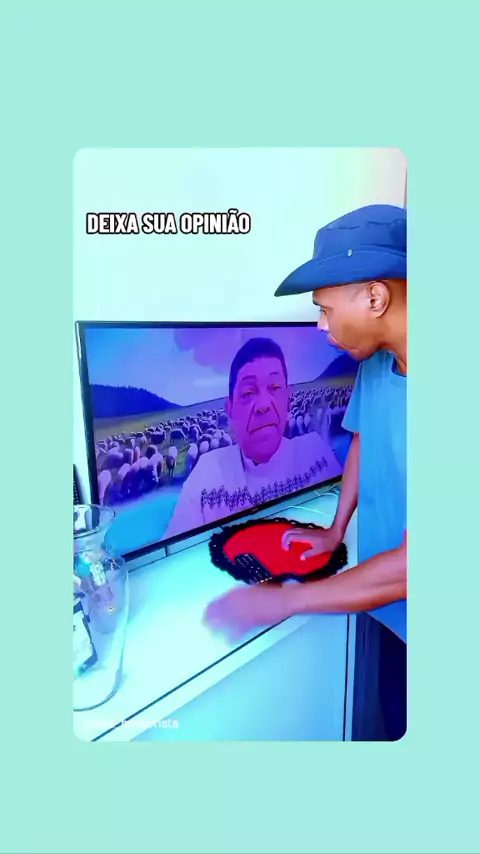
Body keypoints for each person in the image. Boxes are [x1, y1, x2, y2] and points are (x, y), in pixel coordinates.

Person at [203, 204, 407, 651]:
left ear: (375, 299)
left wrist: (283, 600)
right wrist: (335, 530)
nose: (320, 324)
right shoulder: (377, 364)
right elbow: (365, 440)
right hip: (377, 601)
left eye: (325, 309)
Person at [163, 337, 342, 539]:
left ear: (288, 400)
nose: (263, 405)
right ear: (230, 410)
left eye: (275, 388)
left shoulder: (315, 453)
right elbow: (173, 545)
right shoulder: (208, 475)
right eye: (248, 392)